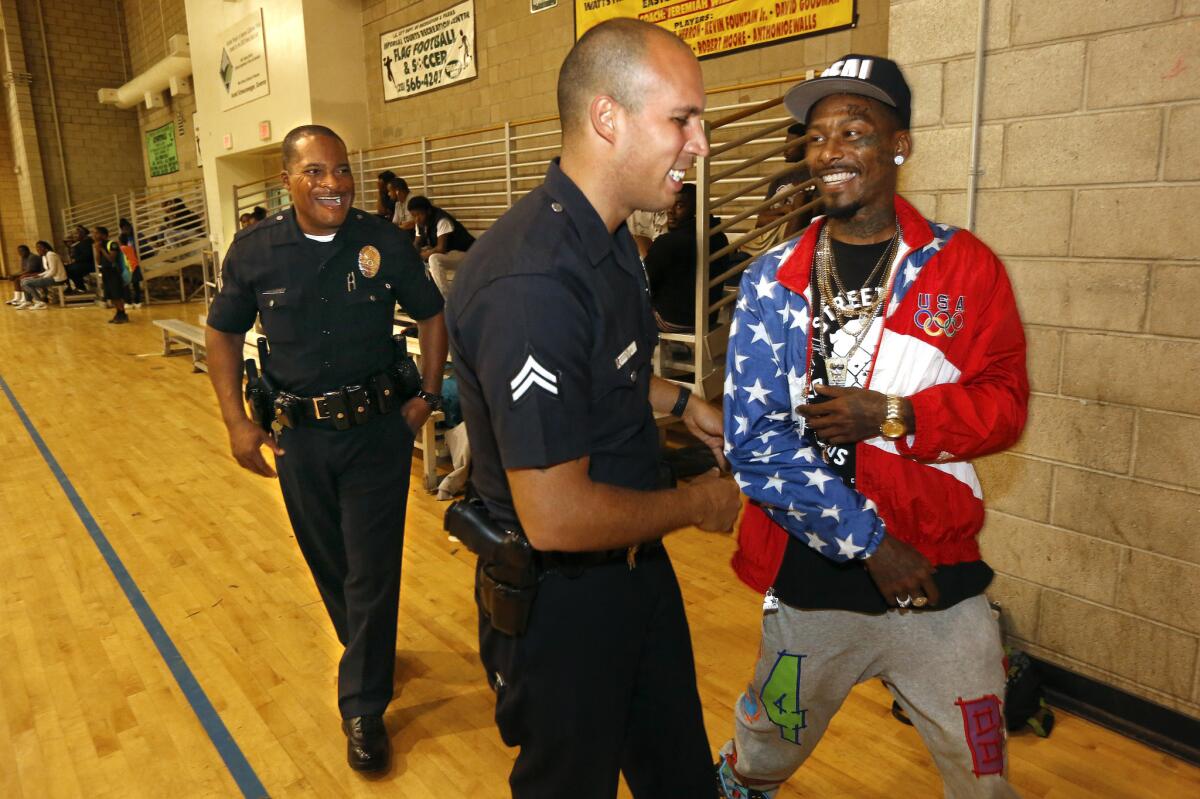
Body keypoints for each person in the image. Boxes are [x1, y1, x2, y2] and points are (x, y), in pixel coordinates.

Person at [715, 55, 1028, 799]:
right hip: (813, 583)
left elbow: (1005, 406)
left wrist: (895, 414)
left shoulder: (963, 268)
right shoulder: (774, 280)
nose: (829, 151)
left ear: (899, 146)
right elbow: (755, 444)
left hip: (941, 580)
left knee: (985, 780)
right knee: (761, 756)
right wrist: (870, 543)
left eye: (853, 130)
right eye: (817, 136)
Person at [445, 18, 741, 798]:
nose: (701, 143)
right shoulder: (532, 282)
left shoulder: (607, 243)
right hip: (563, 607)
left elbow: (597, 374)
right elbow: (556, 514)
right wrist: (698, 503)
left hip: (635, 578)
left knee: (680, 778)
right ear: (607, 118)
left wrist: (680, 400)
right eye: (682, 120)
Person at [204, 124, 447, 774]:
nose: (333, 183)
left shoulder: (383, 241)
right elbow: (222, 334)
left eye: (341, 170)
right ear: (286, 179)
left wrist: (426, 394)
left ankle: (363, 706)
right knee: (330, 564)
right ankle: (368, 650)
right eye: (315, 171)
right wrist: (235, 421)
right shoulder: (256, 251)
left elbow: (432, 311)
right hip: (298, 438)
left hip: (377, 434)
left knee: (372, 569)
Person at [644, 182, 729, 332]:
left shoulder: (669, 242)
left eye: (679, 206)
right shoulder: (720, 237)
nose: (670, 211)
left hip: (673, 320)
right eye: (670, 204)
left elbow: (646, 282)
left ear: (697, 209)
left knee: (626, 300)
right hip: (709, 317)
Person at [408, 194, 474, 296]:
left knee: (434, 258)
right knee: (417, 258)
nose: (416, 219)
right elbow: (416, 244)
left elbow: (441, 248)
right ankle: (418, 297)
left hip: (467, 254)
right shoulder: (419, 223)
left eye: (419, 215)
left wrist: (420, 256)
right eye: (414, 216)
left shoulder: (441, 220)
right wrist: (410, 255)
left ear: (428, 211)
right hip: (450, 254)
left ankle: (444, 299)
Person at [93, 226, 129, 324]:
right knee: (112, 296)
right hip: (106, 272)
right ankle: (118, 313)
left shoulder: (112, 244)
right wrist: (97, 250)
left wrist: (102, 250)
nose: (94, 235)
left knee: (117, 294)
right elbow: (98, 262)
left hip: (114, 272)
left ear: (103, 235)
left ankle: (123, 314)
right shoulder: (99, 245)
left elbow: (111, 259)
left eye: (96, 233)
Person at [17, 241, 67, 309]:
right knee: (23, 280)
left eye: (40, 247)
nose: (38, 249)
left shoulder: (51, 254)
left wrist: (41, 278)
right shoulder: (44, 256)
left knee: (26, 283)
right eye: (37, 247)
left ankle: (40, 302)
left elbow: (53, 271)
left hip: (57, 279)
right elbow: (48, 270)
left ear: (45, 248)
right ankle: (28, 301)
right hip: (51, 277)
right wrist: (39, 275)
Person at [119, 218, 144, 308]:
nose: (126, 230)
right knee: (135, 285)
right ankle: (137, 302)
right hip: (134, 266)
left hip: (128, 268)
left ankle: (129, 302)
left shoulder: (121, 249)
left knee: (127, 286)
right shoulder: (129, 248)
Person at [66, 225, 95, 294]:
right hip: (82, 263)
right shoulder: (80, 243)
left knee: (71, 269)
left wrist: (75, 260)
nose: (74, 236)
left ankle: (80, 288)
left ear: (83, 233)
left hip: (90, 264)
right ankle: (76, 287)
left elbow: (87, 255)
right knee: (67, 268)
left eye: (76, 234)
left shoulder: (88, 242)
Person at [386, 177, 416, 242]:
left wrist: (397, 228)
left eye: (389, 191)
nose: (388, 194)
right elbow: (394, 223)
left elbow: (411, 224)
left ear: (397, 191)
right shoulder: (398, 203)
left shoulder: (413, 200)